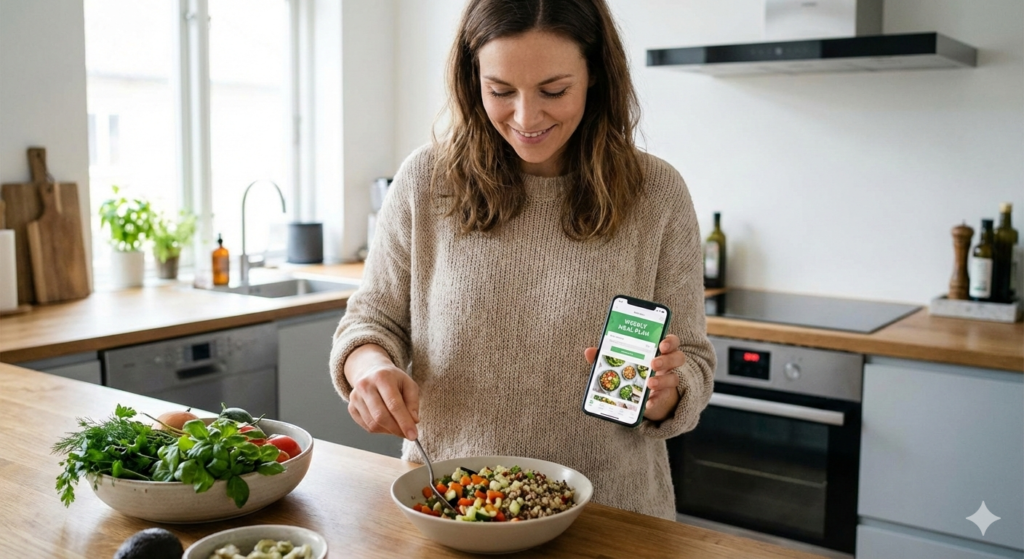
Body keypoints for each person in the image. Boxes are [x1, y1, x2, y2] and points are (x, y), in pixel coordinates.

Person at [330, 0, 715, 520]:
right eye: (501, 91)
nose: (526, 117)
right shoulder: (426, 180)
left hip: (613, 516)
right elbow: (370, 321)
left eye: (554, 91)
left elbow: (692, 358)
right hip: (453, 505)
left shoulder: (657, 194)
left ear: (595, 74)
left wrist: (666, 391)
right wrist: (371, 367)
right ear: (473, 81)